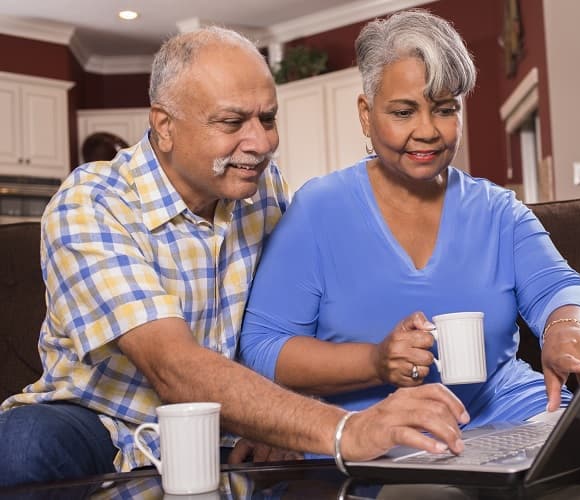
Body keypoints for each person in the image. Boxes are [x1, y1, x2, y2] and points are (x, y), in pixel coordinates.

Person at [0, 26, 468, 488]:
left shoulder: (265, 192)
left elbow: (293, 324)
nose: (261, 143)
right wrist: (344, 429)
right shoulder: (92, 203)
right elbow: (174, 367)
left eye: (268, 119)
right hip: (101, 421)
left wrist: (287, 410)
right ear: (164, 127)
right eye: (232, 123)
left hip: (228, 426)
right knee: (24, 445)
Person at [238, 10, 580, 431]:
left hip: (503, 407)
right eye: (403, 112)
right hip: (371, 426)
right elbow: (263, 347)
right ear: (366, 113)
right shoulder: (318, 210)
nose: (428, 130)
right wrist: (374, 361)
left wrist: (564, 328)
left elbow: (563, 288)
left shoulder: (498, 210)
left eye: (444, 109)